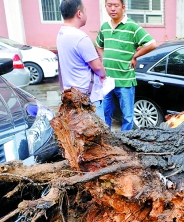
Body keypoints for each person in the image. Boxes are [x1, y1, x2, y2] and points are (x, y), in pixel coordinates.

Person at [96, 0, 157, 131]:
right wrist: (104, 58)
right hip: (108, 81)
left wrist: (135, 56)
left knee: (128, 117)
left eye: (116, 5)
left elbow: (152, 44)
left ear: (123, 7)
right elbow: (99, 45)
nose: (112, 8)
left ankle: (124, 146)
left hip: (125, 81)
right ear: (105, 7)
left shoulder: (132, 27)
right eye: (109, 5)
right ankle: (106, 144)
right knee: (105, 115)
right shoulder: (104, 27)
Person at [57, 0, 106, 119]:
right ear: (79, 13)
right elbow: (98, 67)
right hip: (87, 98)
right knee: (97, 134)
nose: (86, 13)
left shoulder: (61, 33)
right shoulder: (80, 37)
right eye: (85, 11)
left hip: (71, 95)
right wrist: (104, 74)